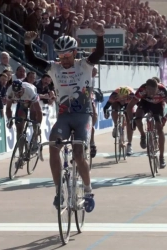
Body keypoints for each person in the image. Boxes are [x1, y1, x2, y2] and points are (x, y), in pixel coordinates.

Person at [23, 21, 105, 213]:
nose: (64, 60)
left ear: (75, 53)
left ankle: (88, 190)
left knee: (78, 153)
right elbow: (34, 60)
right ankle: (59, 190)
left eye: (67, 56)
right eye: (60, 56)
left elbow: (98, 54)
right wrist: (27, 44)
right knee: (53, 146)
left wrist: (100, 36)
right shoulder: (54, 68)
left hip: (83, 115)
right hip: (64, 116)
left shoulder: (84, 65)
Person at [126, 79, 167, 168]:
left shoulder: (162, 90)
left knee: (160, 129)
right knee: (138, 117)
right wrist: (131, 120)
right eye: (149, 91)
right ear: (146, 88)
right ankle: (143, 135)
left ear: (157, 88)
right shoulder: (142, 90)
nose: (152, 93)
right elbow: (129, 107)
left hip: (158, 105)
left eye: (154, 91)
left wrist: (165, 119)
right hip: (145, 103)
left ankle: (161, 157)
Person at [6, 80, 43, 158]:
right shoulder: (10, 92)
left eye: (19, 92)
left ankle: (35, 138)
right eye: (16, 93)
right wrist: (9, 119)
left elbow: (39, 111)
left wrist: (38, 124)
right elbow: (8, 108)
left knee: (33, 115)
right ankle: (21, 154)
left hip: (31, 99)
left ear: (22, 89)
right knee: (19, 128)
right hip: (22, 102)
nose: (17, 95)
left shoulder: (30, 91)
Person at [103, 86, 135, 156]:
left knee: (129, 122)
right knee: (114, 109)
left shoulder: (132, 96)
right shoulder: (114, 96)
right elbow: (106, 107)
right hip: (116, 102)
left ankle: (129, 145)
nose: (122, 101)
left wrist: (133, 119)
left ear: (127, 96)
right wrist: (106, 112)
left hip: (128, 104)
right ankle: (116, 125)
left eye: (124, 99)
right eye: (121, 99)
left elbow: (138, 106)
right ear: (118, 96)